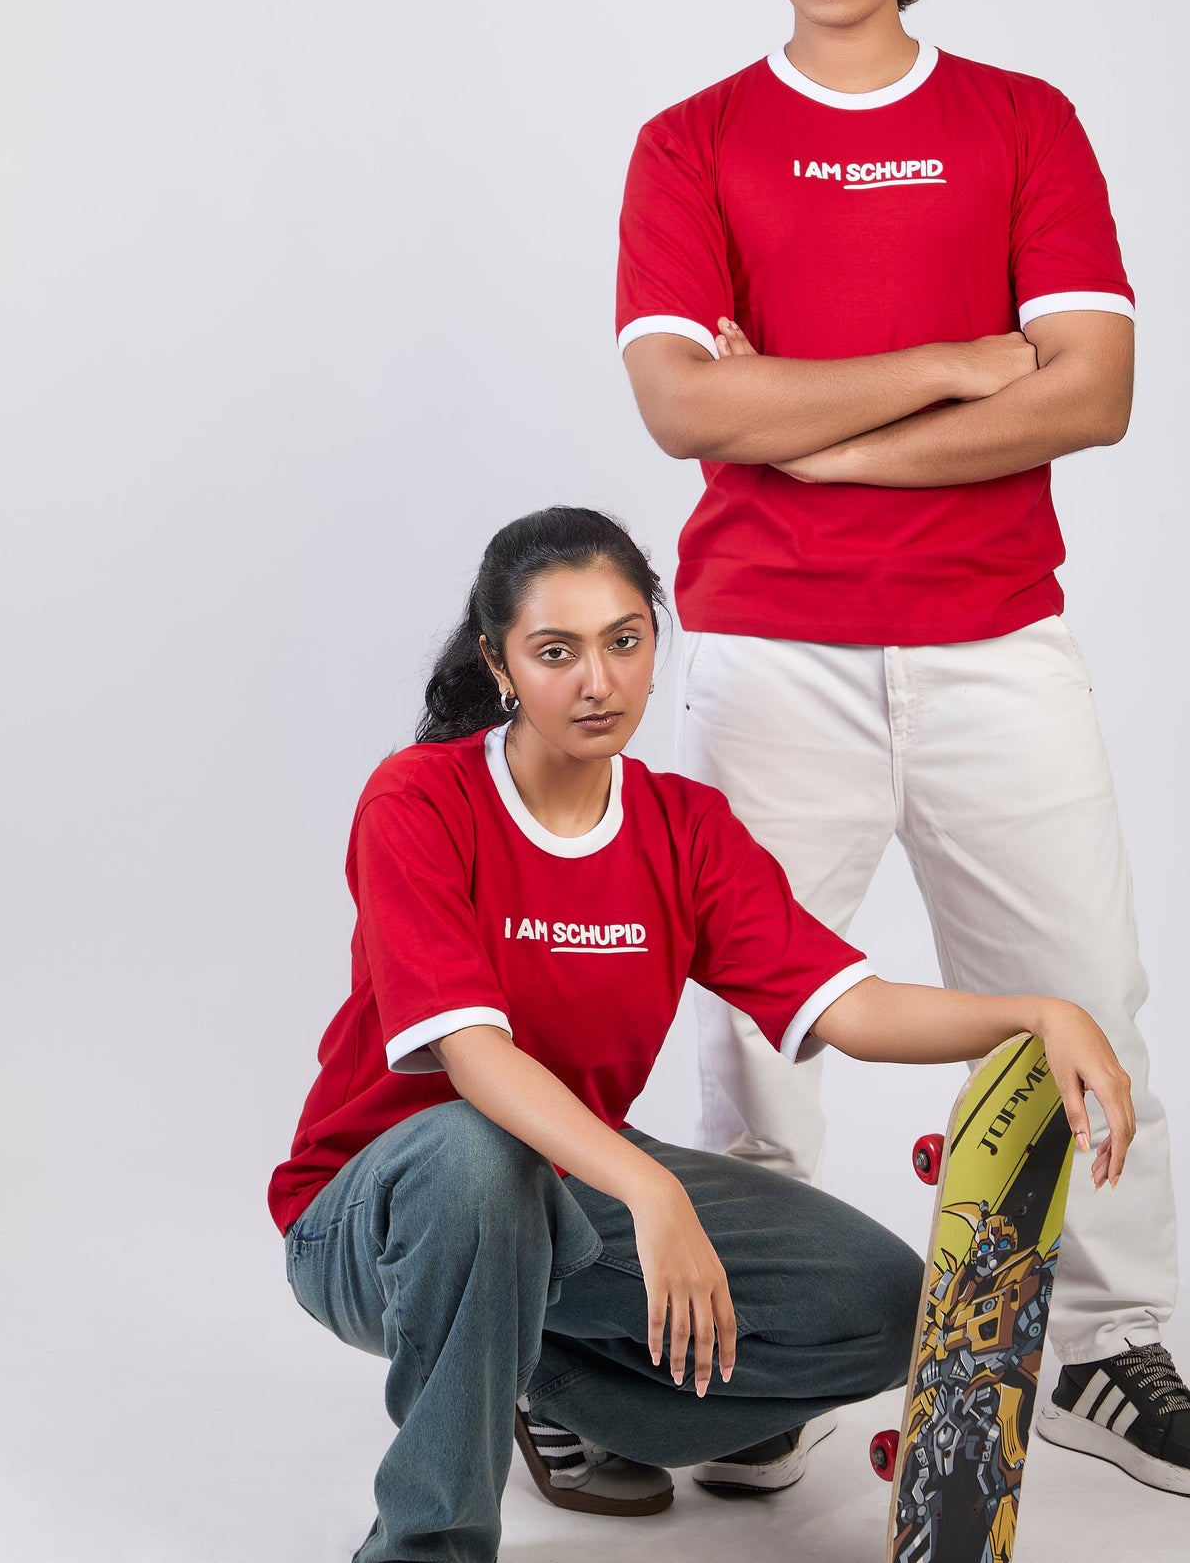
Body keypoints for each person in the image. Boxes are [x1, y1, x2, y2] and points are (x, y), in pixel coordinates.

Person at [614, 0, 1190, 1499]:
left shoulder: (1020, 123)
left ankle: (1107, 1346)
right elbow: (683, 396)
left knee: (1088, 994)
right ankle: (748, 1359)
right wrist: (963, 363)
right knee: (759, 1014)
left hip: (994, 637)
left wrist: (807, 431)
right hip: (772, 646)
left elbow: (1098, 392)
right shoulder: (693, 142)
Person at [268, 505, 1135, 1563]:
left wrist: (1034, 1011)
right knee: (478, 1149)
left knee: (884, 1305)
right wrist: (649, 1186)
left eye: (624, 641)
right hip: (370, 1211)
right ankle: (426, 1546)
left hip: (557, 1193)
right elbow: (472, 1059)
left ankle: (546, 1387)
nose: (598, 681)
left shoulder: (682, 829)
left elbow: (849, 1007)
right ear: (500, 665)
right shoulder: (420, 801)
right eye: (556, 652)